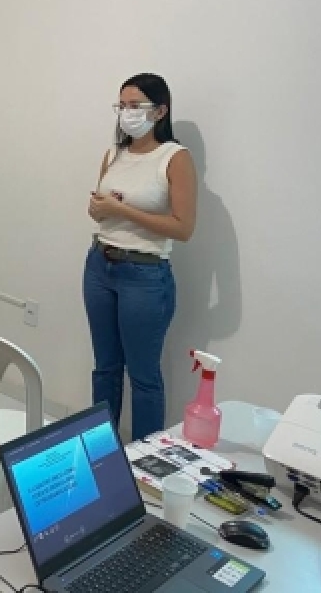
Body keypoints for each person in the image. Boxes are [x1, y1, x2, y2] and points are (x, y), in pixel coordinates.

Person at [83, 73, 197, 440]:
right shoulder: (113, 154)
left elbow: (183, 228)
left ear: (160, 111)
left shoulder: (175, 158)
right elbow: (97, 212)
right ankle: (103, 451)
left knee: (144, 376)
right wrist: (101, 209)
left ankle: (145, 462)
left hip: (145, 276)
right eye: (122, 106)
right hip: (100, 265)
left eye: (136, 106)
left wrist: (125, 210)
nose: (127, 114)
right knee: (105, 369)